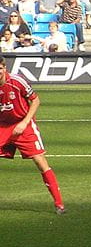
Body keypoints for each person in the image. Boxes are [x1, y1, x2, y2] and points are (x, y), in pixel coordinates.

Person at [0, 56, 65, 214]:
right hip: (3, 126)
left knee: (40, 161)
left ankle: (59, 204)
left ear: (4, 68)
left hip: (24, 125)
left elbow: (35, 101)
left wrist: (24, 123)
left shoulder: (17, 81)